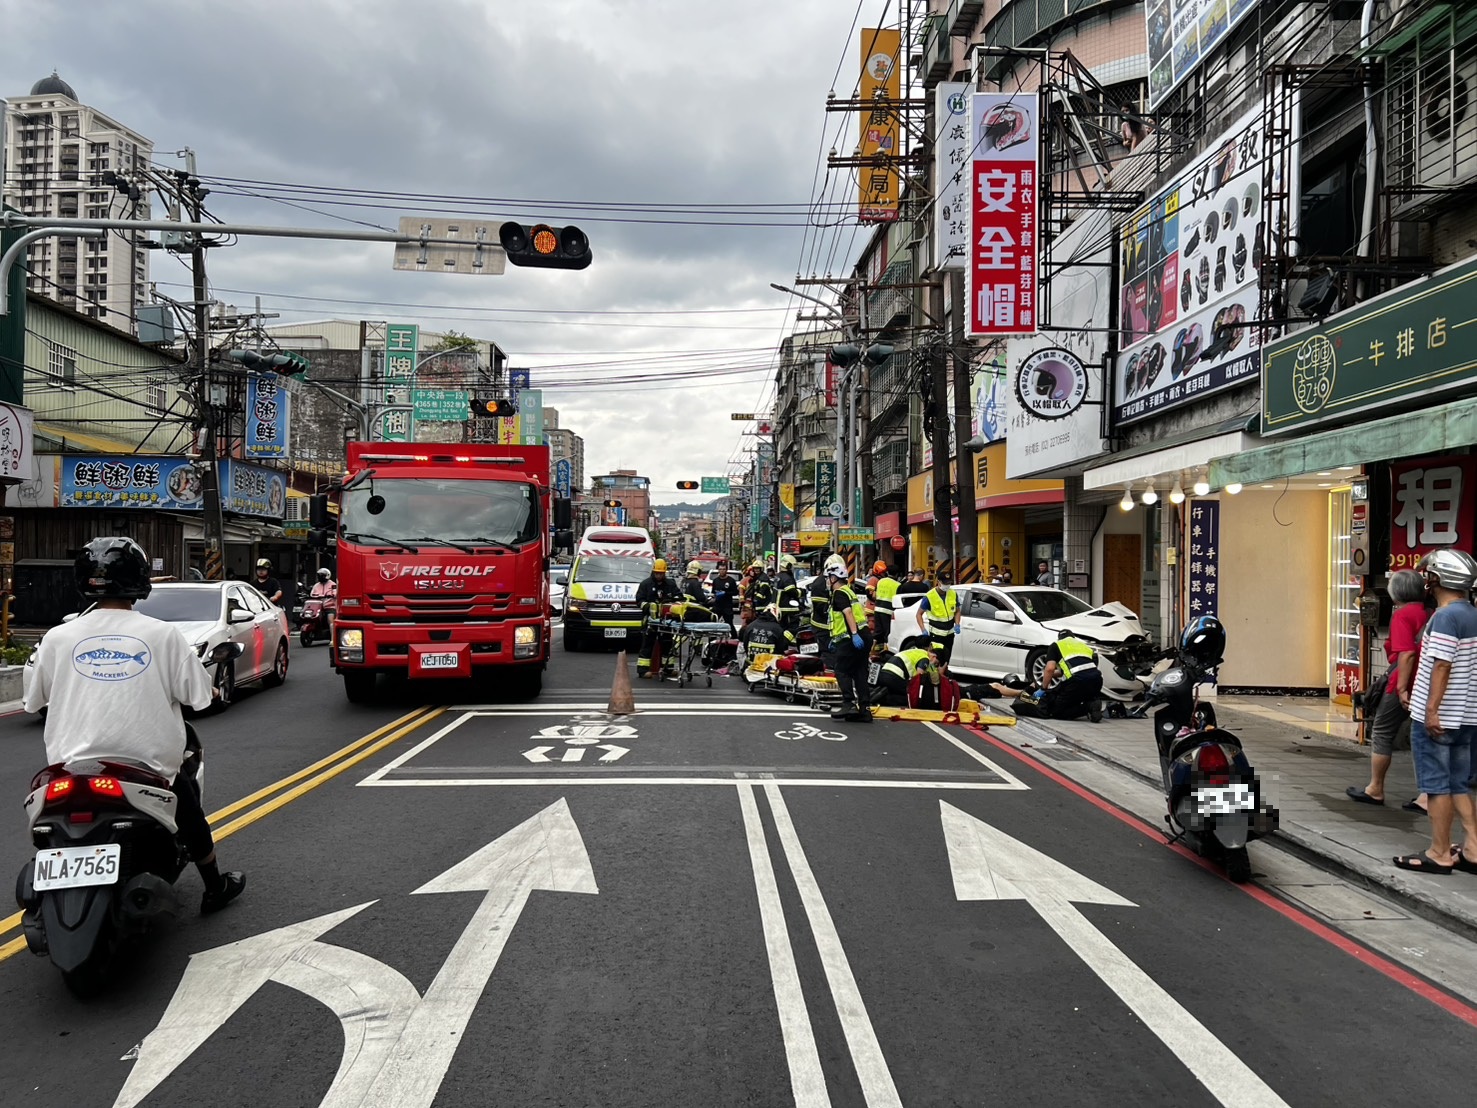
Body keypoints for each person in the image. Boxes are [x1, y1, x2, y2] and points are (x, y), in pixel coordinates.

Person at [23, 537, 246, 914]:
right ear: (141, 581)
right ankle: (214, 885)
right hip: (148, 766)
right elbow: (198, 697)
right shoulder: (163, 635)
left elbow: (33, 701)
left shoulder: (56, 638)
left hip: (69, 766)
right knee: (189, 811)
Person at [1394, 549, 1477, 875]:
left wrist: (1431, 710)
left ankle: (1440, 852)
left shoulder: (1445, 617)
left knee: (1437, 786)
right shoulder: (1472, 614)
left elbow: (1442, 664)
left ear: (1438, 579)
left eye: (1430, 575)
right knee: (1458, 783)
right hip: (1467, 715)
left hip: (1442, 717)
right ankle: (1472, 847)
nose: (1426, 580)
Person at [1347, 568, 1430, 812]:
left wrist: (1402, 688)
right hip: (1425, 682)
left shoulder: (1403, 615)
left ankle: (1375, 788)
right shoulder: (1430, 613)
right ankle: (1426, 795)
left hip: (1403, 682)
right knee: (1421, 736)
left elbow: (1406, 654)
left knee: (1382, 731)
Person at [827, 563, 873, 722]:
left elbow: (847, 613)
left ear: (833, 578)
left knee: (841, 670)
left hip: (852, 638)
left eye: (828, 578)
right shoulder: (850, 592)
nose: (828, 581)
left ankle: (849, 703)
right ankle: (865, 710)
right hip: (864, 635)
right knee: (860, 672)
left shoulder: (839, 593)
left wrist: (853, 634)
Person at [1035, 630, 1105, 722]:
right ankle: (1093, 703)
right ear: (1073, 637)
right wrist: (1049, 676)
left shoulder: (1056, 645)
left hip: (1077, 681)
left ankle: (1088, 707)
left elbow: (1050, 669)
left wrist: (1043, 688)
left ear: (1059, 638)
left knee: (1057, 712)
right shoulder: (1083, 646)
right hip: (1096, 681)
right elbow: (1071, 669)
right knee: (1075, 696)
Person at [634, 557, 682, 679]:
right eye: (657, 573)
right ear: (653, 572)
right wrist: (649, 606)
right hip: (650, 620)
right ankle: (643, 670)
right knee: (647, 644)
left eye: (661, 573)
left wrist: (674, 602)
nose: (659, 576)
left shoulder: (670, 584)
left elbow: (679, 597)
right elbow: (639, 600)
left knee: (667, 644)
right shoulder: (646, 584)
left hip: (667, 620)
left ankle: (668, 669)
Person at [915, 566, 961, 667]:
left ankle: (944, 678)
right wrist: (923, 629)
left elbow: (957, 611)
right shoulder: (929, 596)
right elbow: (919, 614)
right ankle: (935, 679)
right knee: (936, 659)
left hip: (950, 633)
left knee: (946, 658)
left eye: (949, 583)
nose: (947, 585)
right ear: (939, 582)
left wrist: (957, 624)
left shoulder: (953, 593)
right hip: (936, 634)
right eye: (945, 583)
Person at [872, 643, 940, 707]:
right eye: (936, 663)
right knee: (910, 696)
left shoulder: (918, 652)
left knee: (899, 689)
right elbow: (919, 677)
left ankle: (880, 694)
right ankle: (885, 699)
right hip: (895, 675)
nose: (934, 666)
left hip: (885, 672)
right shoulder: (925, 659)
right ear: (934, 657)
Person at [806, 560, 835, 657]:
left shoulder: (824, 581)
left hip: (823, 626)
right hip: (824, 628)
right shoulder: (821, 584)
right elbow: (823, 609)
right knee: (826, 655)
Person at [870, 561, 899, 648]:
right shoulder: (898, 585)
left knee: (878, 631)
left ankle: (871, 649)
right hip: (888, 611)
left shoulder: (880, 581)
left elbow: (875, 594)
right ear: (897, 574)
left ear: (887, 572)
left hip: (877, 609)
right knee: (888, 632)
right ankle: (886, 650)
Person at [774, 555, 804, 634]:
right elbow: (792, 592)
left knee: (781, 627)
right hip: (788, 608)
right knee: (792, 627)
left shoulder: (778, 576)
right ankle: (787, 641)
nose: (793, 568)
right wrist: (801, 592)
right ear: (788, 565)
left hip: (778, 607)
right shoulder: (787, 578)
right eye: (792, 565)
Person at [711, 563, 739, 633]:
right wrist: (716, 594)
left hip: (727, 605)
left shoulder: (731, 580)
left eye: (723, 569)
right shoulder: (715, 580)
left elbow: (735, 592)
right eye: (720, 569)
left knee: (729, 623)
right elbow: (713, 592)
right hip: (717, 605)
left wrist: (725, 593)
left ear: (726, 570)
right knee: (713, 622)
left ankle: (734, 637)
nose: (722, 571)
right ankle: (712, 638)